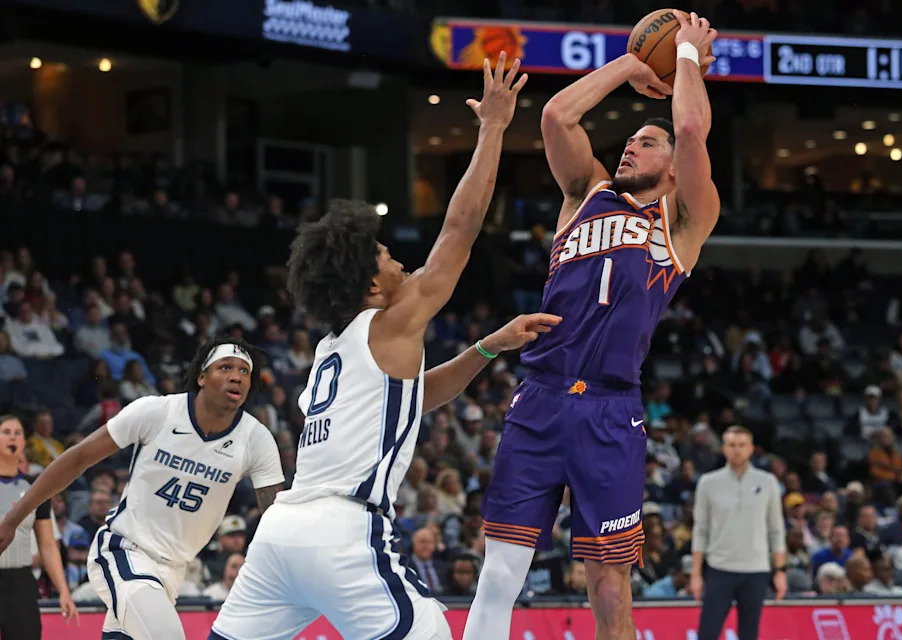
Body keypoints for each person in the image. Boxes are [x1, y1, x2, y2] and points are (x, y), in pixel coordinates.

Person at [209, 54, 540, 640]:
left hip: (281, 535)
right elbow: (459, 231)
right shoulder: (387, 325)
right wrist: (492, 127)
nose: (401, 262)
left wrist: (486, 348)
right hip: (343, 531)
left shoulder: (332, 347)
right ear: (368, 285)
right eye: (387, 257)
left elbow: (413, 399)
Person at [466, 13, 720, 640]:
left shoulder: (683, 220)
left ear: (673, 167)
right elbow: (557, 116)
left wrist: (686, 56)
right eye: (629, 139)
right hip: (540, 395)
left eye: (647, 142)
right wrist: (633, 65)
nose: (630, 145)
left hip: (610, 409)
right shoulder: (586, 193)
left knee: (608, 585)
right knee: (500, 571)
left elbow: (691, 127)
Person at [0, 337, 285, 640]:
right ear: (202, 376)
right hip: (125, 550)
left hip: (175, 570)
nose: (236, 376)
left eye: (244, 371)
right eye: (225, 367)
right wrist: (12, 520)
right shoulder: (157, 412)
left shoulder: (256, 438)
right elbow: (78, 458)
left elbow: (277, 518)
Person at [690, 427, 786, 640]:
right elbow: (700, 530)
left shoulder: (767, 482)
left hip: (756, 569)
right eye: (732, 445)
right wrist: (695, 574)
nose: (737, 450)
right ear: (724, 448)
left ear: (751, 449)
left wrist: (780, 571)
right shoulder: (708, 483)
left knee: (749, 634)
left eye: (742, 445)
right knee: (707, 634)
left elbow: (776, 530)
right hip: (719, 568)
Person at [0, 415, 78, 639]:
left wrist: (63, 589)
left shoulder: (35, 489)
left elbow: (48, 545)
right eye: (6, 432)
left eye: (18, 433)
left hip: (20, 584)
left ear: (24, 442)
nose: (12, 437)